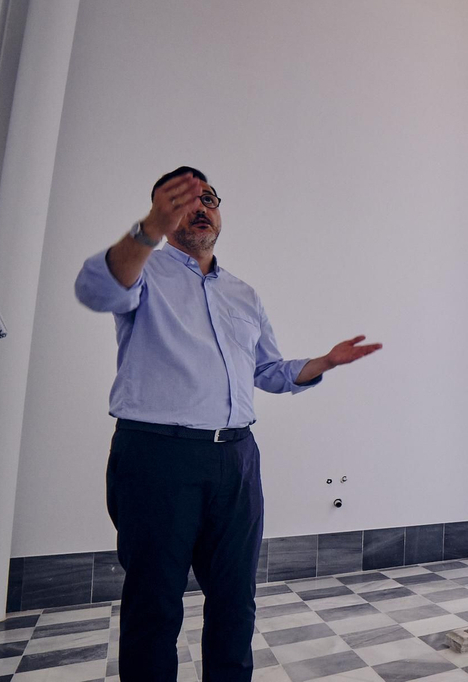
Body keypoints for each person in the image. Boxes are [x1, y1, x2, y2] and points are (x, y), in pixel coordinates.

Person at [74, 167, 382, 682]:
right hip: (157, 456)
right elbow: (96, 288)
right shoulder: (143, 269)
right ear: (162, 214)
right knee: (154, 605)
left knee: (236, 601)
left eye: (209, 198)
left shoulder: (243, 294)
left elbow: (267, 371)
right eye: (181, 200)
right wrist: (148, 229)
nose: (199, 207)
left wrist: (323, 363)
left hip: (236, 460)